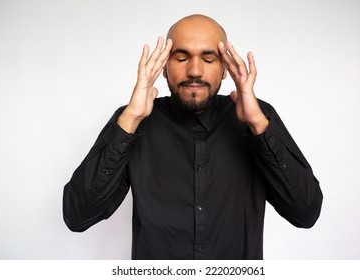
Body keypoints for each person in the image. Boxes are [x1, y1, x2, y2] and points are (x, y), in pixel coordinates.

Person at [63, 14, 323, 260]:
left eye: (208, 59)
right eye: (181, 58)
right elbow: (77, 216)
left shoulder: (259, 117)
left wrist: (258, 125)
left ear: (225, 69)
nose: (195, 71)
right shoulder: (133, 120)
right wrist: (130, 119)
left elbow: (305, 212)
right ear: (164, 67)